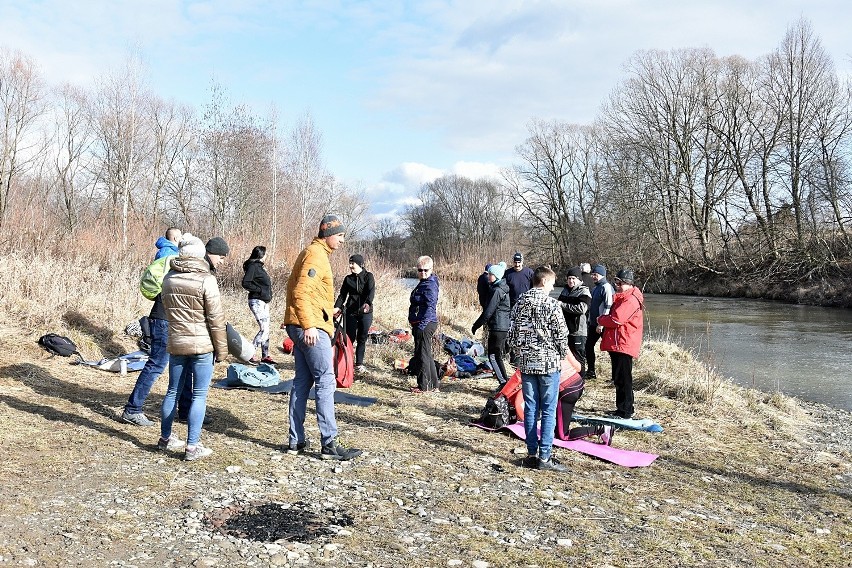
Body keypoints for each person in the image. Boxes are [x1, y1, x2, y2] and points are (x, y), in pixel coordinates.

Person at [284, 214, 362, 460]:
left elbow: (309, 294)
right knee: (326, 380)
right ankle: (329, 442)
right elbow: (300, 292)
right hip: (310, 328)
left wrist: (328, 312)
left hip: (306, 323)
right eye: (339, 236)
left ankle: (295, 441)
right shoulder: (316, 255)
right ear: (328, 235)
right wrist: (309, 325)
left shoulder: (315, 253)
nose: (341, 241)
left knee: (302, 382)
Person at [157, 233, 228, 461]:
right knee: (199, 395)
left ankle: (165, 439)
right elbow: (216, 319)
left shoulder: (168, 278)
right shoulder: (206, 280)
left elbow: (169, 311)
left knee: (172, 391)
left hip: (176, 342)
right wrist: (222, 349)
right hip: (202, 346)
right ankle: (192, 446)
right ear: (200, 255)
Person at [122, 227, 193, 426]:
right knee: (156, 365)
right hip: (164, 319)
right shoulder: (176, 262)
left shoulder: (175, 261)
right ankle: (132, 409)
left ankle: (186, 411)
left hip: (168, 318)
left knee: (183, 363)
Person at [507, 265, 570, 472]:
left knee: (531, 409)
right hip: (548, 363)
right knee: (549, 409)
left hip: (526, 363)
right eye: (552, 283)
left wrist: (521, 352)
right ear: (543, 281)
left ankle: (532, 454)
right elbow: (562, 335)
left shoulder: (519, 303)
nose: (553, 287)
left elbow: (511, 337)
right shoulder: (552, 304)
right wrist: (561, 355)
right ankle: (545, 457)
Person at [597, 269, 644, 419]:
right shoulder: (625, 297)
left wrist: (600, 319)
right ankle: (621, 409)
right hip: (620, 343)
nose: (617, 285)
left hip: (624, 343)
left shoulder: (630, 300)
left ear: (627, 283)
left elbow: (616, 319)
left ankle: (626, 411)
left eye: (619, 283)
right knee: (619, 378)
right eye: (616, 282)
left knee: (624, 379)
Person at [334, 253, 376, 373]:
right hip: (350, 312)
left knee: (362, 338)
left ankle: (359, 364)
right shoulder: (348, 279)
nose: (350, 266)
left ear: (360, 264)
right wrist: (337, 307)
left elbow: (371, 291)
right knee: (349, 338)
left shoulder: (368, 276)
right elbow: (342, 295)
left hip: (365, 312)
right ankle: (347, 362)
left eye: (353, 263)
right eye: (350, 263)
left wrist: (368, 303)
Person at [471, 261, 510, 388]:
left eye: (491, 274)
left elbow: (488, 311)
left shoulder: (497, 291)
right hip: (502, 326)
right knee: (497, 356)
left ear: (497, 276)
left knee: (493, 356)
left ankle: (503, 383)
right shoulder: (501, 288)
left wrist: (476, 325)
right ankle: (504, 381)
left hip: (498, 326)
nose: (488, 276)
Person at [408, 255, 440, 393]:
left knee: (422, 355)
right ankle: (434, 386)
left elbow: (430, 307)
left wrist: (421, 325)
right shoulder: (424, 283)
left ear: (431, 269)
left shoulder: (430, 285)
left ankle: (424, 386)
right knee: (426, 354)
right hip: (422, 323)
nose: (423, 273)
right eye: (420, 270)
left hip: (425, 324)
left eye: (426, 270)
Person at [556, 266, 592, 377]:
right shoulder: (565, 290)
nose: (571, 281)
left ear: (579, 279)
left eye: (573, 278)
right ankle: (571, 382)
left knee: (578, 358)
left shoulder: (584, 291)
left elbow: (582, 309)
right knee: (567, 358)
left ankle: (581, 382)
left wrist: (562, 305)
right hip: (565, 331)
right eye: (569, 278)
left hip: (578, 331)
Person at [242, 245, 274, 364]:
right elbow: (245, 283)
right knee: (263, 329)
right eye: (266, 254)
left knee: (267, 329)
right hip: (256, 301)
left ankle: (265, 356)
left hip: (264, 302)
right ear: (261, 255)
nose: (267, 256)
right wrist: (259, 290)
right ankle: (250, 354)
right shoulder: (253, 267)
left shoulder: (260, 267)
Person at [584, 264, 614, 381]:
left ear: (602, 275)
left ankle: (614, 377)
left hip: (603, 325)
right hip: (593, 324)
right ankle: (591, 371)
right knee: (588, 346)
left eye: (595, 275)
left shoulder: (606, 287)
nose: (593, 277)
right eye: (593, 274)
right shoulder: (596, 288)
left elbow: (608, 306)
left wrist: (601, 324)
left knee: (611, 351)